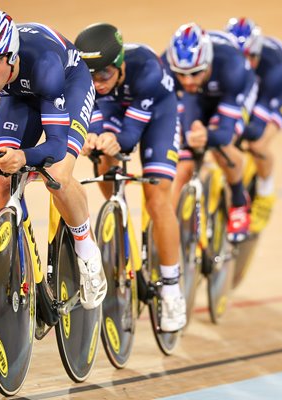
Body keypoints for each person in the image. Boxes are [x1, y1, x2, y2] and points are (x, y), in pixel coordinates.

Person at [0, 9, 106, 309]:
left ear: (11, 56)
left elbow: (57, 145)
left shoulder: (45, 66)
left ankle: (87, 251)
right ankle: (18, 265)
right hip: (19, 96)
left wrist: (23, 156)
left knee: (57, 175)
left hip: (67, 85)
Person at [74, 23, 186, 332]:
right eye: (90, 77)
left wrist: (114, 140)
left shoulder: (147, 68)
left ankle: (172, 289)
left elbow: (131, 136)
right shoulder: (94, 83)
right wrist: (94, 138)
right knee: (104, 157)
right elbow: (92, 114)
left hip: (157, 115)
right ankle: (117, 210)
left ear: (121, 64)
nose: (97, 84)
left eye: (105, 76)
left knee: (158, 198)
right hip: (114, 110)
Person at [161, 23, 259, 243]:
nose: (187, 80)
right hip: (195, 98)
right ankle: (170, 233)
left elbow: (224, 132)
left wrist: (210, 136)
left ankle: (238, 202)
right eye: (181, 74)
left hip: (233, 93)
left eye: (195, 73)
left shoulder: (232, 65)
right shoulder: (165, 66)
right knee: (182, 164)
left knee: (221, 145)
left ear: (207, 63)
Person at [226, 17, 282, 233]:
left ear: (257, 53)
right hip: (256, 86)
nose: (242, 64)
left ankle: (265, 194)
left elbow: (254, 127)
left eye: (248, 58)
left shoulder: (274, 66)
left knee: (257, 143)